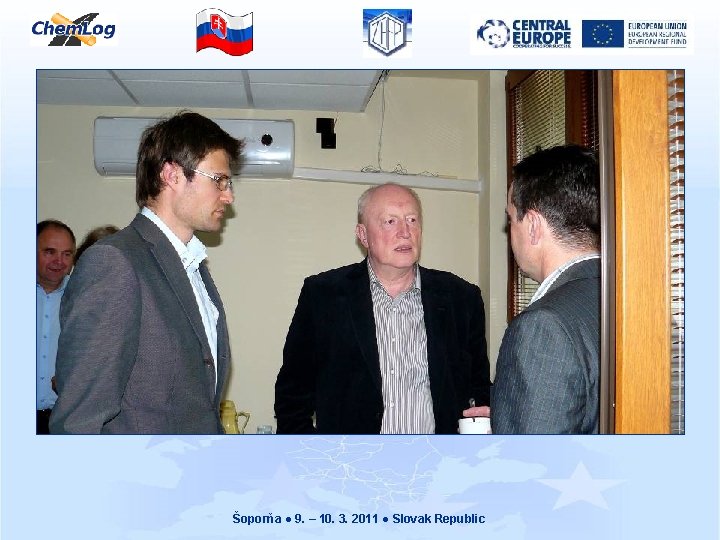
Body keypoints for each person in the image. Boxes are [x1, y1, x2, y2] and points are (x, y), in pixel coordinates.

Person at [50, 111, 243, 434]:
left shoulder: (193, 266)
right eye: (219, 180)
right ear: (172, 175)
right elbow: (79, 419)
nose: (228, 195)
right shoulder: (115, 262)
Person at [274, 183, 491, 434]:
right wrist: (316, 454)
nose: (405, 232)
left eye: (412, 220)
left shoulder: (461, 298)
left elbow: (478, 390)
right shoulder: (323, 296)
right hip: (352, 456)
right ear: (363, 235)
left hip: (438, 456)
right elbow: (292, 397)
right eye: (390, 221)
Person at [487, 144, 601, 434]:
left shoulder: (542, 327)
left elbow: (528, 459)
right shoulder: (626, 297)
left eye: (511, 218)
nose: (509, 231)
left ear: (533, 226)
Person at [36, 219, 76, 434]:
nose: (59, 261)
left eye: (66, 254)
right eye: (49, 252)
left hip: (63, 420)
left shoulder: (83, 296)